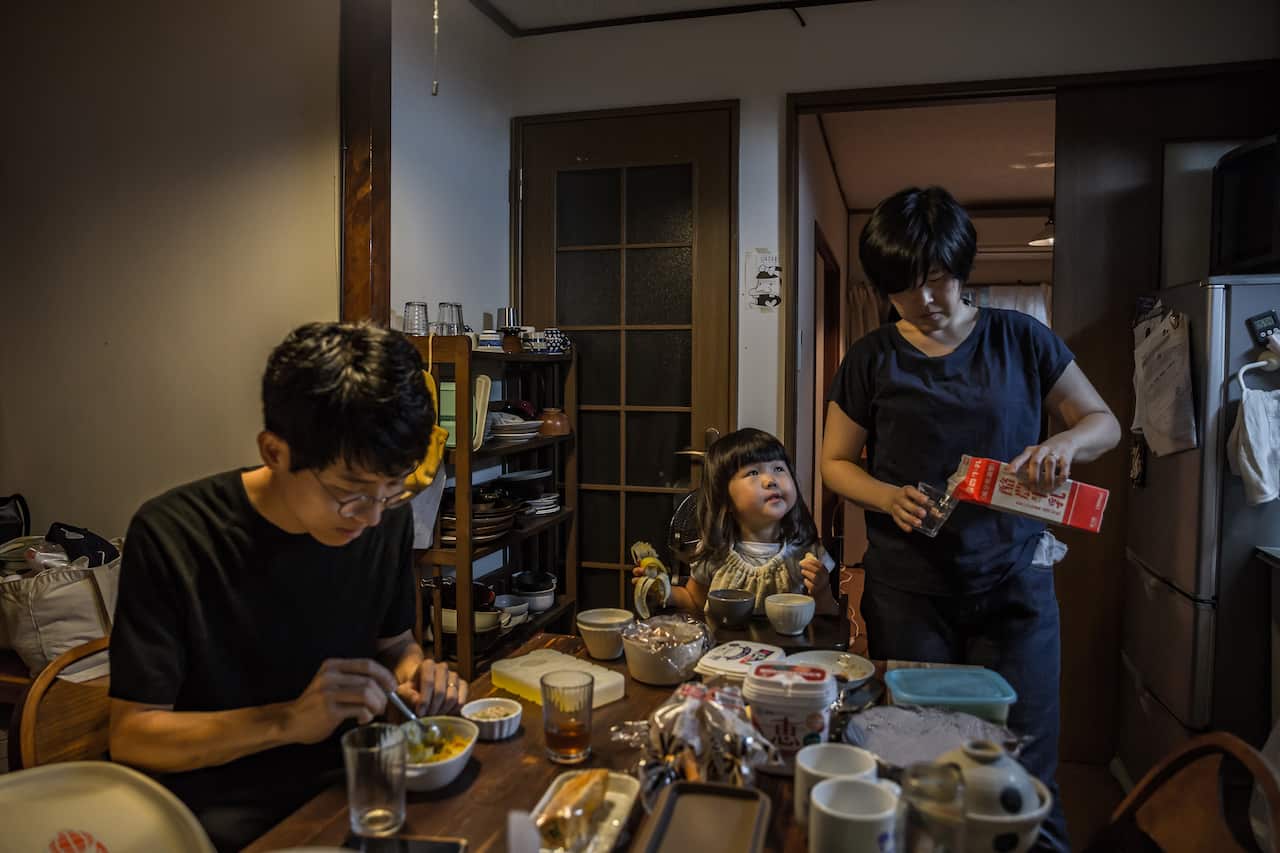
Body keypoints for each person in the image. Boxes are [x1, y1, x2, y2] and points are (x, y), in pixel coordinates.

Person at [820, 186, 1121, 853]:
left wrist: (1062, 445)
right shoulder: (871, 358)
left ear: (961, 265)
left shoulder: (1020, 338)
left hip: (1014, 589)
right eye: (903, 288)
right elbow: (834, 463)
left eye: (936, 279)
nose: (925, 300)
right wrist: (885, 496)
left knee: (1020, 775)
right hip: (909, 594)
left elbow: (1104, 422)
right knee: (921, 771)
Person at [108, 322, 468, 852]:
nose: (370, 517)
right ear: (274, 451)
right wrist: (287, 722)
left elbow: (394, 645)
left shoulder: (383, 520)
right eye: (350, 492)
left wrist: (419, 679)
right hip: (224, 818)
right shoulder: (173, 535)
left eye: (391, 491)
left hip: (360, 790)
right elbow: (133, 735)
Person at [635, 428, 839, 617]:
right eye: (753, 473)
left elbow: (829, 616)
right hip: (726, 654)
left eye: (778, 468)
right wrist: (664, 592)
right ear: (725, 499)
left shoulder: (807, 553)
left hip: (789, 655)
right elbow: (695, 602)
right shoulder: (715, 551)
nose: (771, 480)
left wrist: (821, 591)